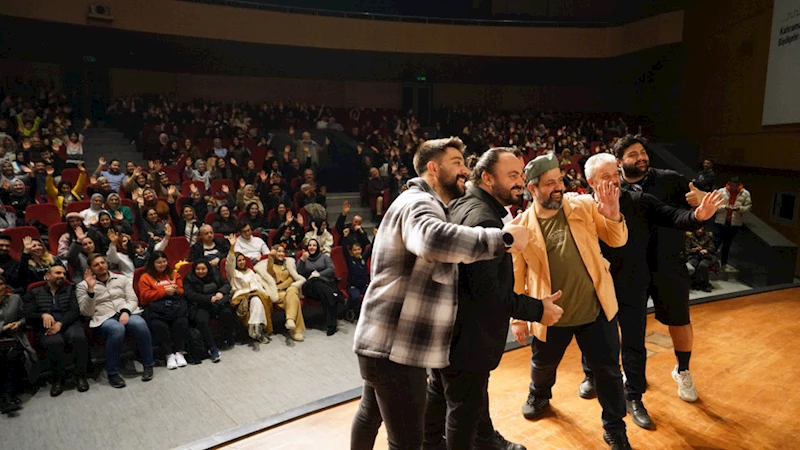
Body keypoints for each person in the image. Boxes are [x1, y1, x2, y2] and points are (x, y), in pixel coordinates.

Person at [350, 137, 527, 449]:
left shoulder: (422, 203)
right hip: (395, 350)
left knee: (369, 415)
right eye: (457, 162)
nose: (465, 170)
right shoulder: (419, 203)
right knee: (407, 442)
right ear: (433, 168)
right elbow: (432, 241)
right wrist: (504, 240)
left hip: (382, 344)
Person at [423, 148, 564, 450]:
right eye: (512, 175)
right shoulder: (484, 219)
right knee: (461, 413)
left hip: (448, 331)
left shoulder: (464, 203)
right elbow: (489, 296)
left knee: (446, 397)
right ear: (487, 178)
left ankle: (482, 441)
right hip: (467, 338)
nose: (519, 181)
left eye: (521, 174)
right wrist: (538, 309)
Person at [577, 153, 723, 430]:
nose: (612, 181)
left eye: (614, 174)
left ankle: (634, 397)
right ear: (590, 181)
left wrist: (697, 216)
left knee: (633, 343)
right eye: (604, 177)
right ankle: (590, 376)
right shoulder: (579, 206)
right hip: (595, 285)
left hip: (633, 283)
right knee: (593, 338)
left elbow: (673, 215)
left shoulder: (638, 200)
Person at [510, 153, 631, 449]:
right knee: (542, 365)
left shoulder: (584, 205)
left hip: (596, 309)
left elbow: (616, 240)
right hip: (550, 314)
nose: (558, 187)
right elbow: (516, 278)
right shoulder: (520, 226)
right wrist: (518, 318)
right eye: (550, 183)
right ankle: (539, 394)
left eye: (560, 180)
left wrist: (613, 211)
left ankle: (614, 427)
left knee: (609, 373)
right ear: (533, 188)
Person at [616, 135, 706, 403]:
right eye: (633, 154)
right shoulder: (614, 187)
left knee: (679, 321)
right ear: (620, 162)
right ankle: (634, 375)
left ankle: (683, 370)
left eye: (643, 152)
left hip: (669, 262)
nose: (641, 157)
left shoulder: (670, 178)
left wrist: (701, 199)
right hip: (631, 267)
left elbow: (704, 199)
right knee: (632, 327)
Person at [77, 254, 155, 388]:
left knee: (140, 324)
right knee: (117, 329)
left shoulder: (121, 278)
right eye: (96, 264)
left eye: (102, 263)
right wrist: (91, 290)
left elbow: (132, 299)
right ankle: (112, 372)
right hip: (103, 317)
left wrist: (125, 312)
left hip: (126, 312)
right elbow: (86, 312)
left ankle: (148, 364)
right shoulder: (82, 286)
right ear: (90, 268)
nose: (101, 266)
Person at [23, 265, 89, 397]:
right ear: (47, 276)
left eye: (64, 274)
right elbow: (28, 314)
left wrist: (60, 323)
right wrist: (42, 315)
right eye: (58, 273)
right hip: (46, 327)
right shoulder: (34, 292)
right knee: (55, 342)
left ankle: (80, 376)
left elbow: (74, 311)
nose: (62, 276)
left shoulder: (69, 290)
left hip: (68, 322)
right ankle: (58, 379)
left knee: (78, 337)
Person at [138, 251, 190, 370]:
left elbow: (182, 290)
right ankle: (168, 354)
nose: (162, 264)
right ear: (153, 263)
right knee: (159, 325)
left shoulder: (173, 274)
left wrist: (176, 290)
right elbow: (144, 297)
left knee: (182, 321)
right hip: (156, 307)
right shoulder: (145, 277)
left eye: (164, 262)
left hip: (175, 305)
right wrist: (163, 292)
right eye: (158, 262)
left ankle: (180, 352)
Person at [183, 261, 237, 361]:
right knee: (201, 320)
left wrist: (220, 292)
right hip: (200, 305)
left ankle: (227, 338)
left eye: (203, 269)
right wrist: (208, 298)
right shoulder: (189, 278)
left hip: (217, 302)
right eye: (198, 269)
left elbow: (226, 284)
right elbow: (190, 294)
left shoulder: (215, 273)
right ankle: (212, 347)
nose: (200, 271)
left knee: (227, 312)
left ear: (208, 269)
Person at [225, 235, 274, 344]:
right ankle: (258, 329)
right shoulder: (233, 273)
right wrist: (232, 247)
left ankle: (255, 328)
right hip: (241, 296)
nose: (242, 262)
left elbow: (258, 286)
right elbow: (229, 263)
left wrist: (265, 295)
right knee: (256, 299)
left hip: (254, 294)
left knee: (257, 299)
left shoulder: (251, 272)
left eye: (243, 260)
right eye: (239, 261)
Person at [0, 276, 36, 413]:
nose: (0, 287)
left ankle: (8, 395)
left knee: (13, 355)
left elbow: (25, 316)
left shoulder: (14, 299)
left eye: (1, 284)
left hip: (14, 338)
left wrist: (20, 323)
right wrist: (2, 328)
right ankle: (6, 397)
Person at [296, 239, 339, 336]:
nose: (312, 247)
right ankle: (336, 295)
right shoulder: (303, 258)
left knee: (324, 292)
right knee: (319, 285)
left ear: (318, 247)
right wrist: (302, 260)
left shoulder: (324, 257)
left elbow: (331, 269)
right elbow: (298, 272)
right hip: (309, 287)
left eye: (314, 245)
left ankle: (331, 324)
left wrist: (318, 274)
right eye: (310, 245)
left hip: (322, 285)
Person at [265, 245, 307, 342]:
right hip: (278, 293)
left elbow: (292, 278)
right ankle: (294, 330)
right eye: (278, 251)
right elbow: (270, 274)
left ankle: (290, 320)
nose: (281, 254)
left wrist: (283, 285)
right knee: (294, 300)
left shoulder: (288, 264)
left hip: (290, 289)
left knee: (292, 291)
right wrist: (271, 257)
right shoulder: (269, 265)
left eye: (283, 251)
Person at [713, 177, 751, 268]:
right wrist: (725, 207)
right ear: (729, 183)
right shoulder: (721, 191)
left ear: (739, 185)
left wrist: (739, 209)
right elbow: (714, 206)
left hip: (734, 223)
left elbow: (748, 207)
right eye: (732, 184)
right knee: (715, 243)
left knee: (727, 245)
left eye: (736, 185)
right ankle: (709, 261)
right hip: (720, 221)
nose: (734, 186)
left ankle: (723, 263)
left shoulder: (745, 193)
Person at [343, 242, 371, 320]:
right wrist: (345, 238)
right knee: (356, 296)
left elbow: (370, 249)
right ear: (351, 252)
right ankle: (354, 311)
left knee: (373, 292)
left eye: (359, 249)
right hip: (353, 286)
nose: (357, 251)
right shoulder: (350, 260)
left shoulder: (363, 259)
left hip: (363, 286)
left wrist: (375, 237)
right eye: (355, 250)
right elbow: (344, 250)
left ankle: (367, 311)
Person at [685, 227, 717, 292]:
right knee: (691, 265)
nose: (700, 231)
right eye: (698, 229)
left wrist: (705, 249)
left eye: (702, 229)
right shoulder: (690, 237)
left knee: (703, 265)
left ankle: (706, 284)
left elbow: (712, 247)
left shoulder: (707, 236)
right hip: (693, 256)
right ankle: (694, 283)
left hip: (705, 256)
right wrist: (695, 250)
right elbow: (686, 250)